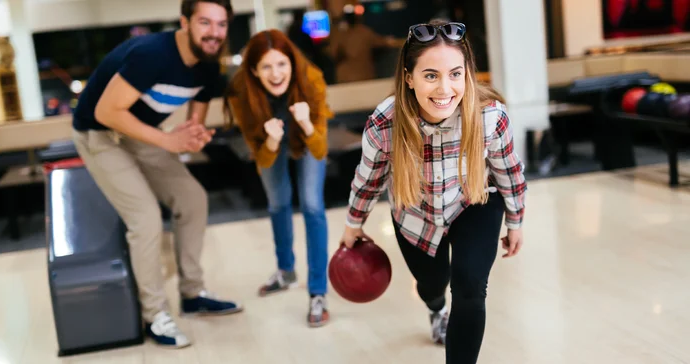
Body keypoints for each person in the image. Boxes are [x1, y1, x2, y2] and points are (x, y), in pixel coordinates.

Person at [340, 20, 527, 363]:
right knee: (432, 283)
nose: (445, 88)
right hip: (415, 212)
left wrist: (515, 221)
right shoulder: (386, 122)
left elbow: (508, 171)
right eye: (431, 75)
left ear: (468, 74)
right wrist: (354, 223)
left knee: (470, 287)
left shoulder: (489, 117)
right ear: (409, 78)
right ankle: (435, 307)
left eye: (455, 74)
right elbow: (369, 179)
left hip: (476, 201)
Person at [71, 0, 243, 349]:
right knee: (146, 217)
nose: (214, 33)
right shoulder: (153, 54)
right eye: (205, 23)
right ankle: (155, 315)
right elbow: (106, 111)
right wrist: (168, 139)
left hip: (141, 131)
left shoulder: (209, 67)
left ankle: (193, 295)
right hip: (98, 133)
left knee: (193, 198)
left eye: (221, 24)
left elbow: (194, 125)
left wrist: (193, 136)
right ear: (185, 22)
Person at [223, 29, 333, 327]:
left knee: (312, 206)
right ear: (254, 71)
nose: (275, 74)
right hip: (269, 141)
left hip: (306, 136)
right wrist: (271, 141)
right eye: (266, 67)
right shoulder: (241, 93)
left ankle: (317, 292)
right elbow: (259, 157)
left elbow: (321, 148)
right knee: (277, 202)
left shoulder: (311, 79)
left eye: (281, 64)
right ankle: (286, 271)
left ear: (292, 64)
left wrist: (306, 124)